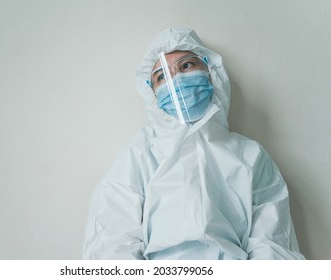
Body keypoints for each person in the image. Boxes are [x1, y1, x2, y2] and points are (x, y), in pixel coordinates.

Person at [83, 28, 305, 260]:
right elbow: (112, 240)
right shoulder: (140, 151)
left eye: (186, 66)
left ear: (211, 72)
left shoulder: (250, 155)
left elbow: (273, 244)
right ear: (151, 92)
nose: (176, 78)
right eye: (162, 76)